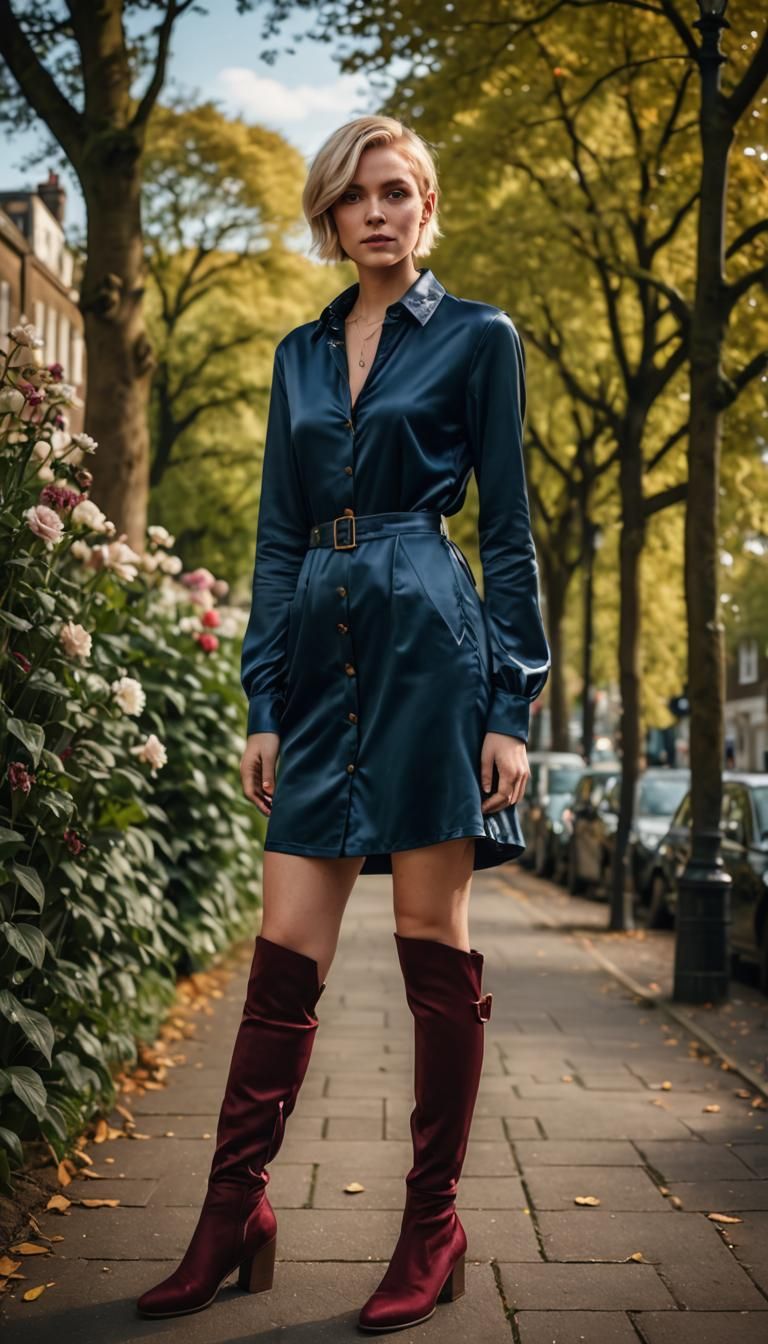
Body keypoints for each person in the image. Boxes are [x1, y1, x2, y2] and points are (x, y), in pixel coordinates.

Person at [137, 113, 551, 1332]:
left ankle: (432, 1227)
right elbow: (274, 539)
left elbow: (512, 535)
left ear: (427, 207)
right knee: (284, 954)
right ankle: (232, 1214)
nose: (376, 212)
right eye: (354, 196)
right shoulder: (298, 356)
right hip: (318, 663)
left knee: (434, 941)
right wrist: (261, 697)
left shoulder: (481, 338)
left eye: (397, 192)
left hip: (433, 650)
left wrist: (510, 704)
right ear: (329, 215)